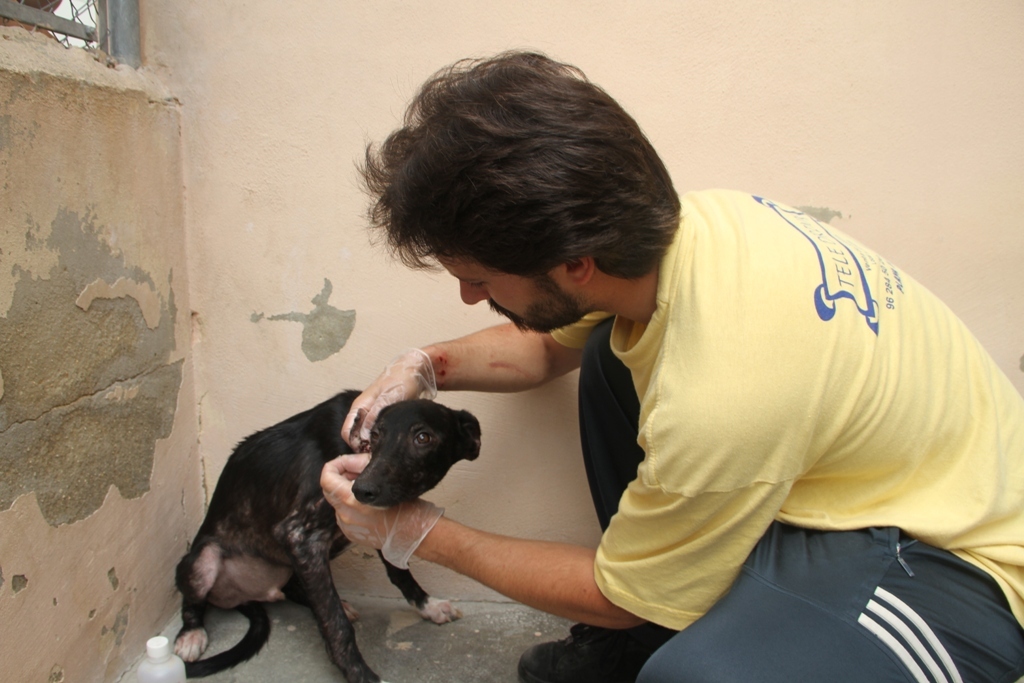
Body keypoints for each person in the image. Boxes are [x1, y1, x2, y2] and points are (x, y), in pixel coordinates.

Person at [320, 51, 1024, 682]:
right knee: (607, 354)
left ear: (574, 262)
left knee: (694, 676)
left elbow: (614, 594)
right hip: (839, 484)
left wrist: (415, 533)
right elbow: (545, 345)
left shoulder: (720, 392)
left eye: (477, 278)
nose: (470, 296)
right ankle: (650, 631)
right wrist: (427, 363)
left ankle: (661, 632)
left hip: (956, 562)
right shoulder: (701, 229)